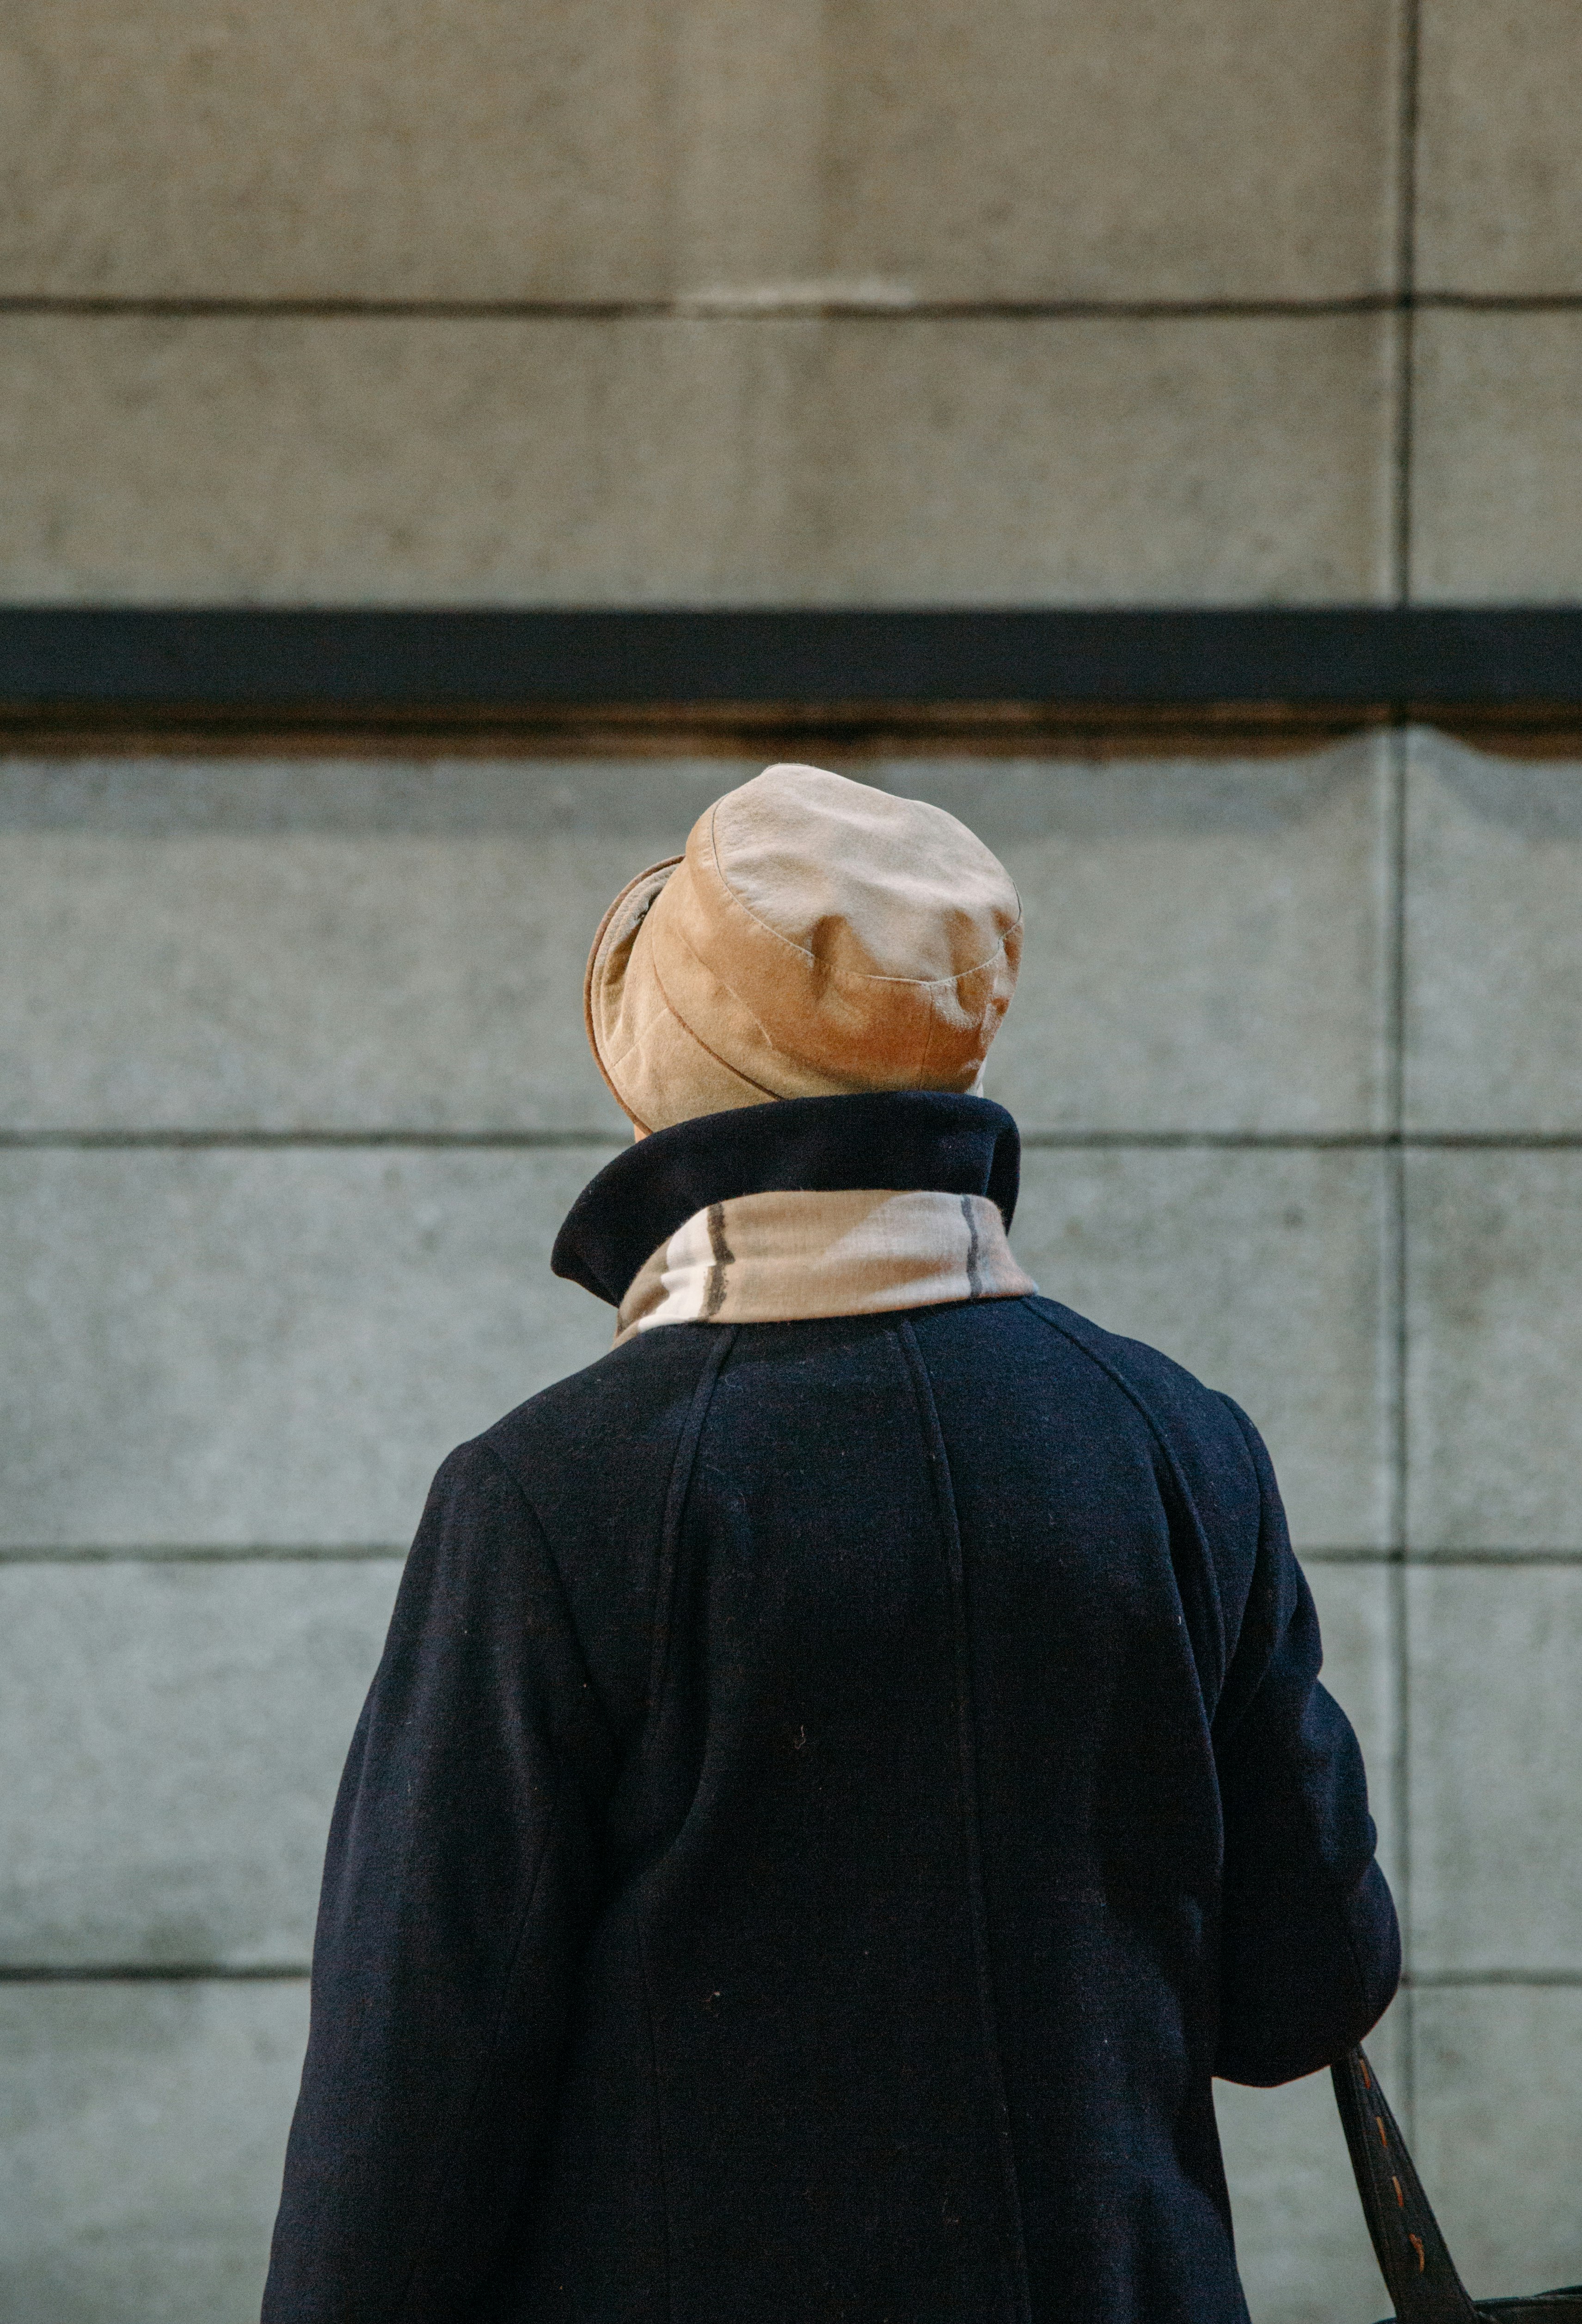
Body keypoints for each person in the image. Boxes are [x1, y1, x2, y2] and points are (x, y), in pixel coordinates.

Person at [262, 762, 1398, 2324]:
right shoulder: (1180, 1442)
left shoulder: (552, 1496)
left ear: (676, 1075)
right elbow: (1305, 1994)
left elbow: (411, 2097)